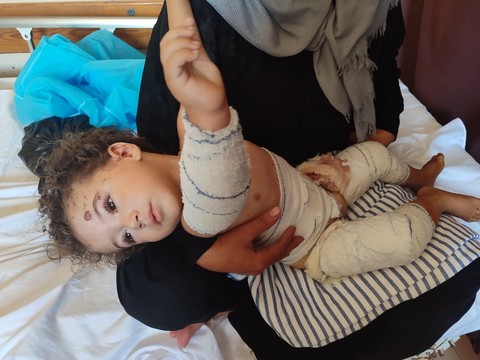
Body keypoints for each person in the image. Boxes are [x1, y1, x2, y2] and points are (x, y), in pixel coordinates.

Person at [110, 1, 480, 359]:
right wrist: (206, 252)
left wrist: (372, 142)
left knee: (432, 283)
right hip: (217, 195)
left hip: (320, 167)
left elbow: (382, 68)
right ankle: (234, 290)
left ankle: (239, 288)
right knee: (154, 292)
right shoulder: (201, 13)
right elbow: (163, 154)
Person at [39, 15, 480, 289]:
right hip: (317, 242)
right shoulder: (200, 211)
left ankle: (414, 178)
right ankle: (432, 202)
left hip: (311, 177)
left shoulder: (183, 131)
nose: (132, 224)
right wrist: (208, 104)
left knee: (376, 154)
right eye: (126, 238)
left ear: (122, 151)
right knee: (405, 240)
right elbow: (213, 161)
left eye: (111, 205)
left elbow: (199, 125)